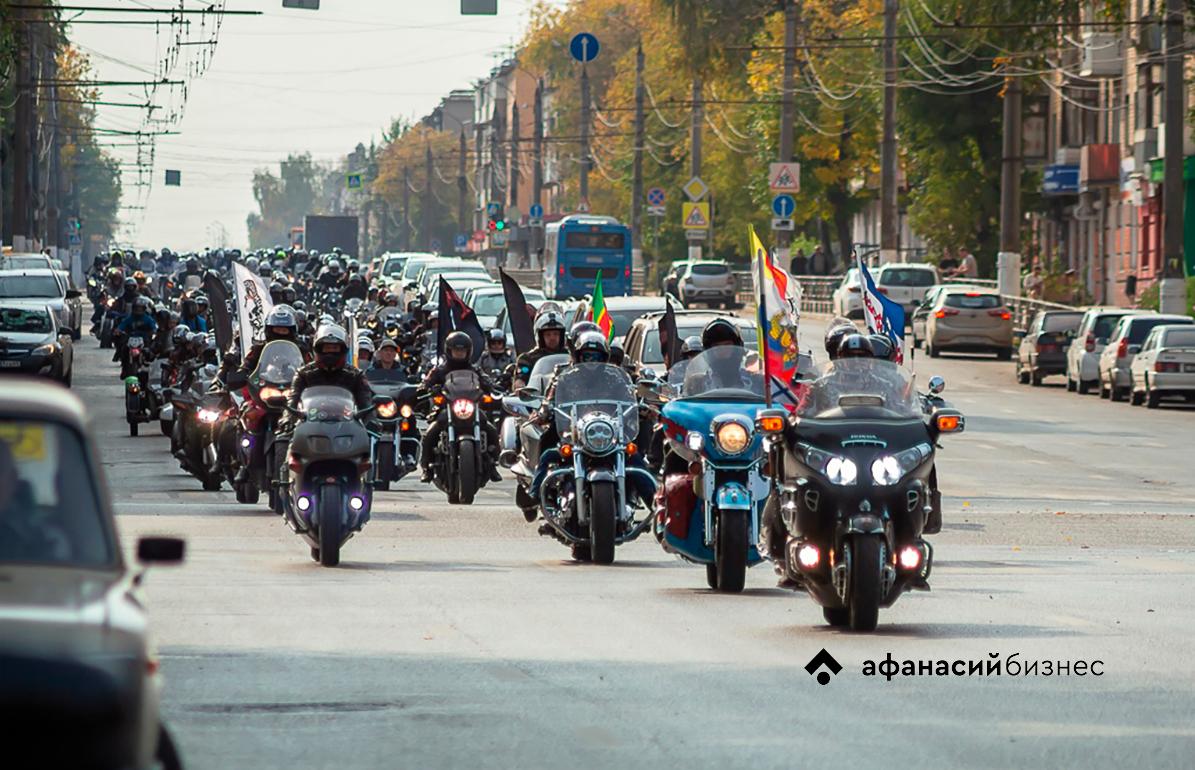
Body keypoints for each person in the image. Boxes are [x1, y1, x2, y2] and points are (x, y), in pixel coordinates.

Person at [418, 331, 502, 483]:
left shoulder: (474, 369)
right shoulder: (441, 369)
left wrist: (491, 386)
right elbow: (427, 381)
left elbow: (484, 380)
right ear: (449, 351)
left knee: (490, 429)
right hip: (448, 408)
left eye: (462, 350)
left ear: (468, 352)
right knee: (431, 431)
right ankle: (426, 468)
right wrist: (426, 387)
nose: (459, 353)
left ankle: (493, 464)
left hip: (471, 407)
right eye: (456, 350)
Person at [285, 324, 374, 423]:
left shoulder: (355, 375)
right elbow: (292, 400)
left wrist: (372, 422)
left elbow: (366, 404)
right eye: (327, 348)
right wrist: (287, 420)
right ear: (318, 349)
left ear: (343, 350)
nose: (330, 353)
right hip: (310, 426)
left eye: (335, 348)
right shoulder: (303, 374)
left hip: (346, 428)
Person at [512, 308, 567, 390]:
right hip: (538, 399)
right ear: (540, 336)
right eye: (548, 334)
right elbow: (521, 377)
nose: (552, 338)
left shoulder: (570, 356)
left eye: (556, 334)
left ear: (562, 335)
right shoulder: (527, 359)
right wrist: (520, 385)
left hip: (568, 398)